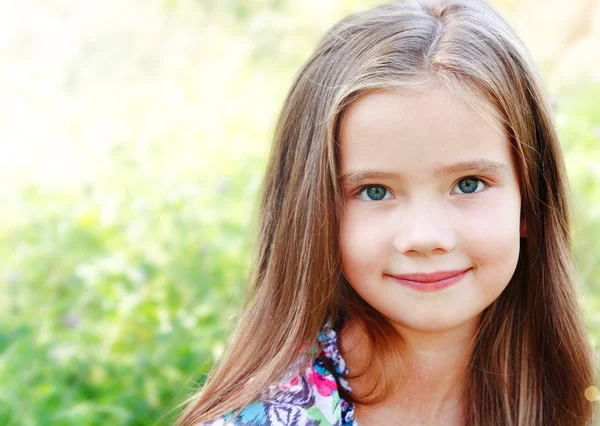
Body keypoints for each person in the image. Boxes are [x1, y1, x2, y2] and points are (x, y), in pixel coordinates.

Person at [176, 0, 599, 424]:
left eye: (468, 184)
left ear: (530, 198)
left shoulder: (559, 396)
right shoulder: (267, 418)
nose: (425, 236)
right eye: (375, 191)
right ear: (313, 212)